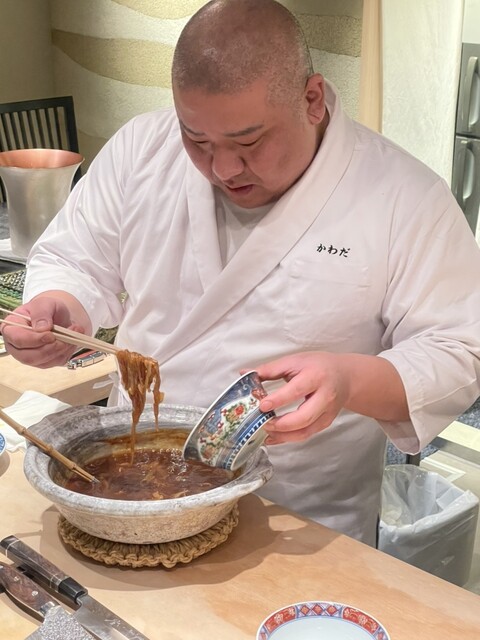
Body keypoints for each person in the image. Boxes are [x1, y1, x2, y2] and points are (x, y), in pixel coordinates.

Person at [2, 0, 480, 546]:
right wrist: (61, 304)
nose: (223, 168)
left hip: (300, 518)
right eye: (197, 140)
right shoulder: (141, 150)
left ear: (312, 99)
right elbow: (75, 257)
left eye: (250, 142)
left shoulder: (403, 196)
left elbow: (458, 348)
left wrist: (350, 380)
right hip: (132, 494)